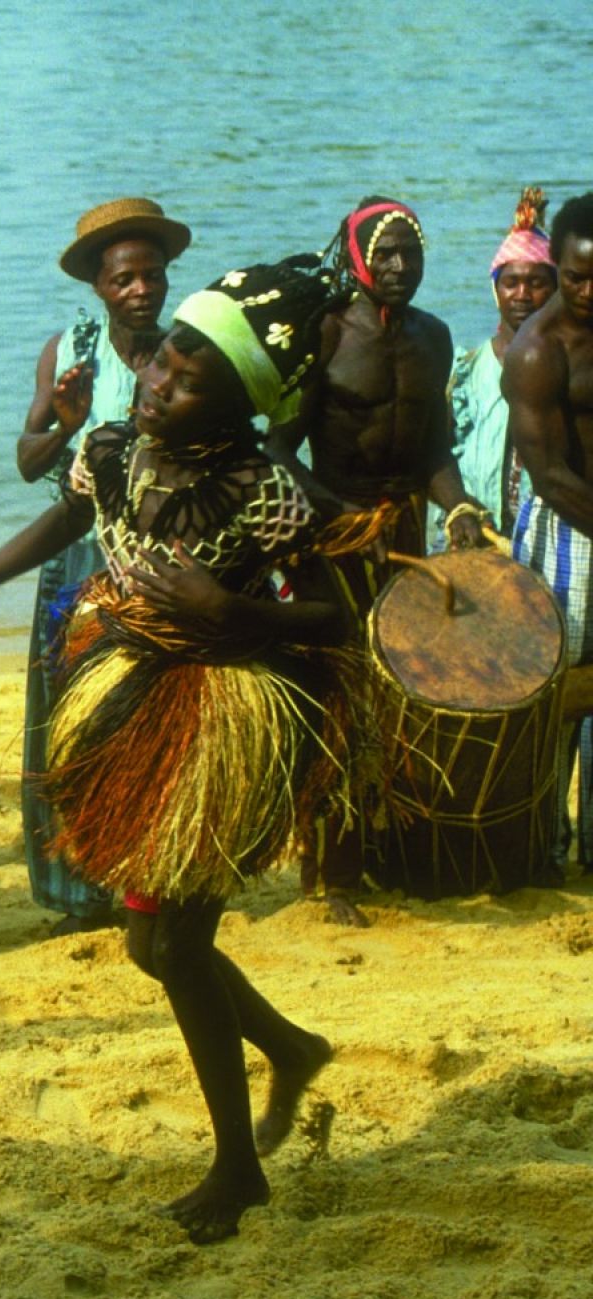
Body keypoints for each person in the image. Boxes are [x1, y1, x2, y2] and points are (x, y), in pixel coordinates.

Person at [39, 259, 351, 1243]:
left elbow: (349, 617)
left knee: (175, 945)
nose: (160, 379)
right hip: (135, 701)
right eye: (167, 356)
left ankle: (237, 1168)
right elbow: (63, 512)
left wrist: (234, 611)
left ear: (235, 408)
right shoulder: (115, 448)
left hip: (229, 720)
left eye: (190, 376)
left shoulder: (267, 488)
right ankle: (291, 1049)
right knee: (148, 944)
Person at [0, 197, 191, 934]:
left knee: (145, 729)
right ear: (97, 285)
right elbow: (31, 465)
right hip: (79, 557)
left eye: (151, 276)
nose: (139, 290)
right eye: (123, 279)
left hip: (157, 560)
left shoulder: (184, 355)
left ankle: (146, 878)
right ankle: (79, 891)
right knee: (67, 730)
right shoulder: (69, 353)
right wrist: (67, 425)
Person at [274, 198, 489, 926]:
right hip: (337, 537)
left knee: (406, 695)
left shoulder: (434, 336)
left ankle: (392, 853)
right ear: (360, 259)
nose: (400, 269)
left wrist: (457, 506)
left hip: (405, 530)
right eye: (386, 255)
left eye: (412, 255)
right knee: (342, 699)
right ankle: (332, 875)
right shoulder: (326, 331)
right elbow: (277, 449)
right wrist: (339, 517)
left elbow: (433, 448)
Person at [507, 192, 593, 870]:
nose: (588, 291)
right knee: (552, 695)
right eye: (575, 277)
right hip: (566, 535)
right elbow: (550, 477)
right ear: (557, 268)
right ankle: (538, 851)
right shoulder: (539, 351)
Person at [445, 188, 557, 542]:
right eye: (511, 283)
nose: (522, 295)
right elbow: (439, 451)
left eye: (536, 283)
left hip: (544, 532)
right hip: (477, 528)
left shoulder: (566, 365)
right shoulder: (467, 370)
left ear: (554, 291)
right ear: (496, 291)